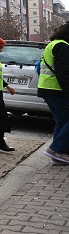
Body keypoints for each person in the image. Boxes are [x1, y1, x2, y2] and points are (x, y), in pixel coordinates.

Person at [37, 22, 69, 164]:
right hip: (56, 89)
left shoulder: (54, 44)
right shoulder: (63, 46)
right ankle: (56, 149)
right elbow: (64, 74)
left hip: (47, 88)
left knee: (61, 121)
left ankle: (58, 156)